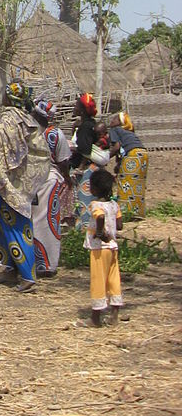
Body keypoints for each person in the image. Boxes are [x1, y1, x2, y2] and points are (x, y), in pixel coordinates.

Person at [0, 82, 50, 293]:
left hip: (8, 187)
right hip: (21, 184)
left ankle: (27, 276)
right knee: (4, 224)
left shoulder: (5, 123)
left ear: (9, 98)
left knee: (15, 227)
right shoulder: (28, 121)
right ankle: (11, 269)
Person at [31, 98, 74, 276]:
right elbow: (63, 161)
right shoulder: (55, 134)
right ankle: (47, 264)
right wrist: (67, 178)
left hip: (30, 180)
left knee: (31, 220)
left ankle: (31, 262)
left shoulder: (27, 131)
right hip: (49, 180)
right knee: (48, 222)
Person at [85, 168, 124, 327]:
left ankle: (95, 318)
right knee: (113, 279)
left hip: (99, 248)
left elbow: (100, 216)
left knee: (98, 280)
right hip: (113, 247)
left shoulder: (95, 205)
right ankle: (114, 315)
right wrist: (111, 227)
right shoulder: (114, 205)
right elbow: (120, 225)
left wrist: (100, 232)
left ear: (95, 189)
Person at [108, 112, 148, 219]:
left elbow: (117, 147)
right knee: (137, 183)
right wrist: (119, 165)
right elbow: (122, 151)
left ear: (120, 122)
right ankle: (137, 212)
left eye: (114, 119)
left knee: (125, 182)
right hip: (143, 154)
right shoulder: (128, 132)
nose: (112, 120)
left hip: (132, 154)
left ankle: (125, 212)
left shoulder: (115, 130)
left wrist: (105, 157)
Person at [70, 93, 100, 230]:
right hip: (91, 168)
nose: (74, 107)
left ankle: (85, 230)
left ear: (82, 110)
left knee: (84, 201)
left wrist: (72, 149)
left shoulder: (85, 127)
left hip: (85, 170)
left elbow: (85, 149)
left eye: (77, 105)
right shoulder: (90, 124)